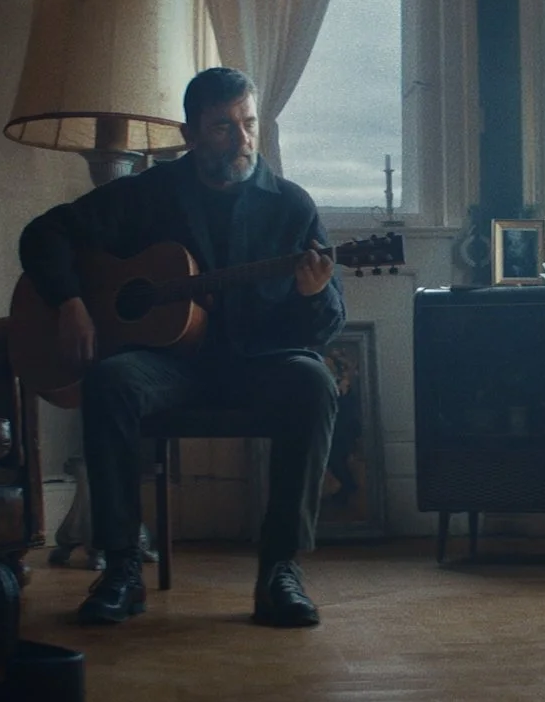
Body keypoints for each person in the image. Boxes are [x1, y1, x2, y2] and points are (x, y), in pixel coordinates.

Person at [17, 67, 344, 628]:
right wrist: (70, 300)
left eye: (248, 123)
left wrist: (313, 294)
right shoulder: (150, 193)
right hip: (169, 365)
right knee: (110, 381)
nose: (242, 140)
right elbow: (43, 233)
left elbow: (325, 325)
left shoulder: (290, 206)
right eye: (223, 127)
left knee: (313, 382)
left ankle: (280, 570)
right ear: (190, 134)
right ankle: (122, 567)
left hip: (255, 363)